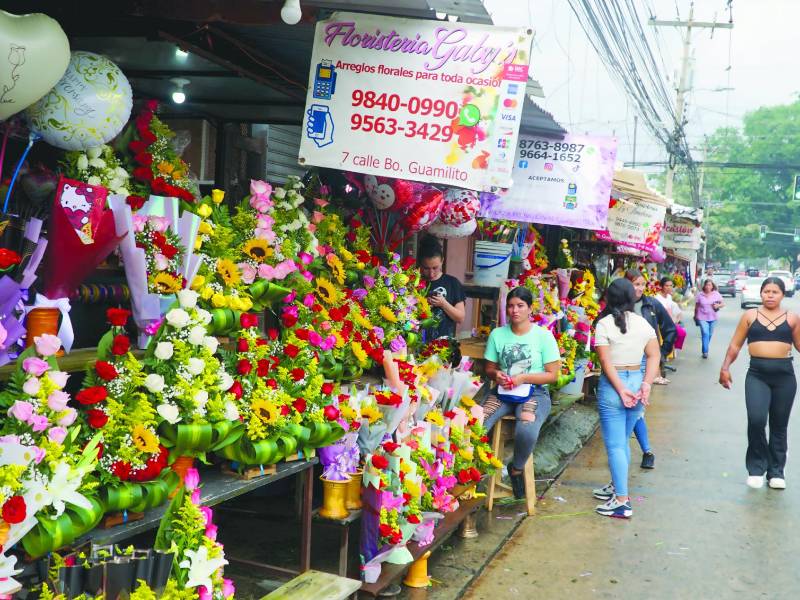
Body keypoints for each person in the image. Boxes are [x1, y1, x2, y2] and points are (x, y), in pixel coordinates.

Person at [719, 277, 800, 489]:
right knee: (756, 420)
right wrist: (725, 368)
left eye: (775, 292)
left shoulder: (792, 318)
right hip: (757, 375)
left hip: (785, 377)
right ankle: (756, 468)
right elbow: (735, 345)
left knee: (779, 425)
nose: (770, 295)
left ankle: (776, 472)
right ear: (761, 293)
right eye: (766, 291)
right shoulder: (749, 316)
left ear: (783, 294)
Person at [483, 287, 561, 499]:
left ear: (530, 309)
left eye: (520, 306)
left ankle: (516, 469)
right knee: (476, 424)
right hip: (503, 392)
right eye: (511, 306)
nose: (514, 310)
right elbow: (488, 368)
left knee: (526, 429)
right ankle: (470, 479)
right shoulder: (497, 335)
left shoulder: (543, 336)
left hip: (535, 392)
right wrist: (496, 374)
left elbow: (553, 375)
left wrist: (524, 378)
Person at [592, 278, 661, 518]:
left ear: (608, 299)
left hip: (615, 385)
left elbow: (605, 361)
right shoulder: (643, 323)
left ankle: (622, 501)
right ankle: (616, 486)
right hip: (637, 381)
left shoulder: (604, 324)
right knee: (622, 440)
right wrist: (646, 384)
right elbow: (654, 355)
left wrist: (620, 389)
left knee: (615, 445)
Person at [625, 270, 677, 469]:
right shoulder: (617, 306)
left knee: (636, 406)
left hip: (644, 362)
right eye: (634, 284)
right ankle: (645, 451)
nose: (638, 288)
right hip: (620, 364)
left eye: (641, 284)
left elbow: (670, 329)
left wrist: (660, 355)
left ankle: (646, 451)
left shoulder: (651, 305)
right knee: (631, 407)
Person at [417, 236, 466, 340]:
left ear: (442, 261)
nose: (431, 273)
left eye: (435, 268)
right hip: (417, 342)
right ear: (420, 264)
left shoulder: (452, 283)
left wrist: (443, 304)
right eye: (426, 268)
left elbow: (460, 318)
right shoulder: (414, 282)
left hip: (443, 346)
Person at [656, 276, 687, 353]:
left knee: (682, 332)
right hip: (662, 323)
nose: (669, 288)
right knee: (680, 333)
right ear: (661, 286)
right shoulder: (657, 298)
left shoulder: (669, 296)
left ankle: (672, 349)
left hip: (671, 321)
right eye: (667, 286)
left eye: (671, 286)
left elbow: (674, 308)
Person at [695, 278, 724, 359]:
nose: (708, 286)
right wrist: (695, 316)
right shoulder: (700, 295)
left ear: (712, 286)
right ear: (704, 286)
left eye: (710, 285)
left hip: (713, 317)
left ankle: (705, 344)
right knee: (705, 333)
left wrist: (718, 305)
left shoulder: (716, 294)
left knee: (709, 334)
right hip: (702, 317)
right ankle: (705, 352)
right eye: (707, 285)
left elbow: (722, 303)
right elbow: (696, 306)